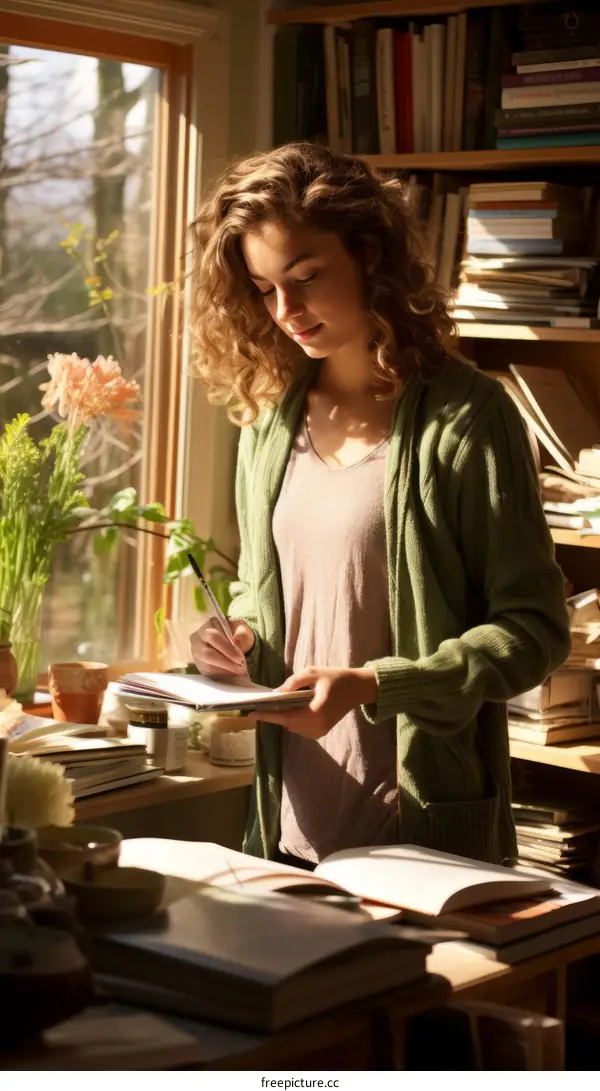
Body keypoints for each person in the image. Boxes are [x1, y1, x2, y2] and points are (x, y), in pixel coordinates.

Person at [189, 142, 570, 870]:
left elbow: (535, 630)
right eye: (266, 289)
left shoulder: (469, 417)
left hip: (423, 833)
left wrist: (376, 684)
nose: (287, 311)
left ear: (369, 255)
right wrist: (233, 636)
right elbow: (269, 597)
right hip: (289, 827)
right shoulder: (269, 422)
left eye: (304, 277)